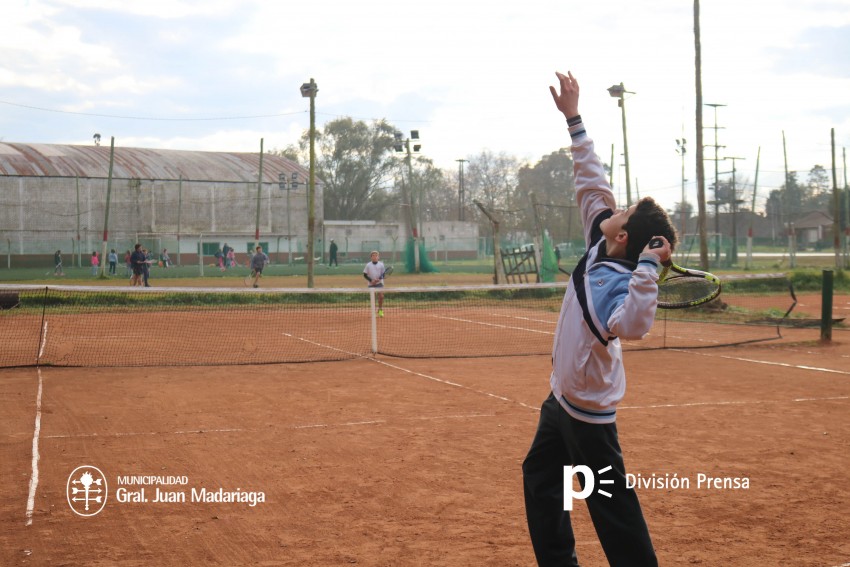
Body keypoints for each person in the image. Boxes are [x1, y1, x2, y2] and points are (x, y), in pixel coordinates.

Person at [521, 70, 677, 567]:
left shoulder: (618, 284)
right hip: (562, 398)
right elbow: (591, 177)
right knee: (541, 479)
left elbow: (632, 325)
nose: (614, 205)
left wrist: (648, 271)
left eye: (624, 210)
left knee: (612, 509)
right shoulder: (599, 236)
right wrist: (574, 118)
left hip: (589, 414)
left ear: (624, 236)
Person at [363, 251, 386, 317]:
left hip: (379, 283)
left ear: (378, 257)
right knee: (372, 298)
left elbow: (383, 274)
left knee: (381, 296)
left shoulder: (381, 264)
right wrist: (371, 280)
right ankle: (373, 312)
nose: (375, 257)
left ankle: (380, 310)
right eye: (373, 255)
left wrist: (379, 279)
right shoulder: (368, 265)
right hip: (371, 284)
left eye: (376, 255)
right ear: (371, 257)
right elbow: (365, 275)